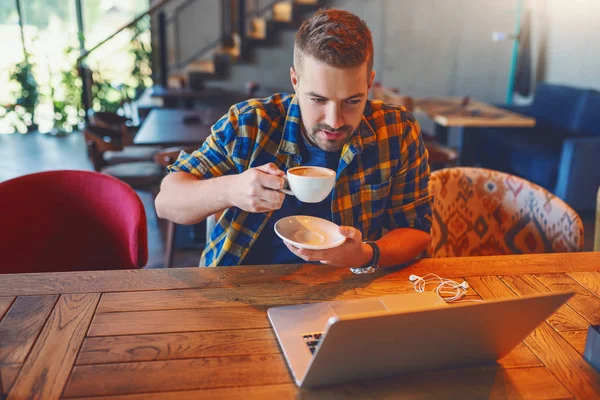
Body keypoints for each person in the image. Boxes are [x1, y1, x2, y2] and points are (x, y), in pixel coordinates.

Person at [155, 8, 432, 270]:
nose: (334, 121)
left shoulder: (397, 130)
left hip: (347, 292)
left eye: (352, 101)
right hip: (237, 288)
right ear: (295, 81)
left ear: (369, 83)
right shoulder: (250, 123)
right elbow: (167, 202)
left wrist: (365, 255)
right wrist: (231, 190)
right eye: (318, 99)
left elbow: (416, 231)